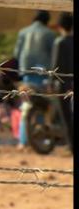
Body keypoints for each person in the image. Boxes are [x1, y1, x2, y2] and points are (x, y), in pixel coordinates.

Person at [14, 10, 56, 88]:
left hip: (26, 69)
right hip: (43, 70)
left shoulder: (23, 32)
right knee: (41, 96)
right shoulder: (49, 33)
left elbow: (16, 53)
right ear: (47, 20)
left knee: (28, 94)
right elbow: (54, 54)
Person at [51, 12, 73, 152]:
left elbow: (55, 67)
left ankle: (71, 145)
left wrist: (50, 82)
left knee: (66, 117)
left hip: (63, 85)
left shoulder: (59, 42)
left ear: (60, 27)